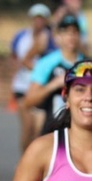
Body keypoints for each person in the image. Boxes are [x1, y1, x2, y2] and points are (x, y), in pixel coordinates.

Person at [24, 14, 84, 133]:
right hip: (52, 130)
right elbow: (29, 101)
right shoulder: (47, 63)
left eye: (74, 32)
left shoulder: (86, 64)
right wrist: (54, 84)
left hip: (80, 131)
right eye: (66, 32)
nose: (71, 36)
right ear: (58, 36)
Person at [10, 3, 54, 152]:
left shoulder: (51, 38)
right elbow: (19, 59)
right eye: (36, 18)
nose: (39, 22)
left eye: (42, 19)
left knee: (38, 130)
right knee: (28, 127)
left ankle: (32, 161)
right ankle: (24, 159)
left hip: (39, 87)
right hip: (22, 87)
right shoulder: (22, 37)